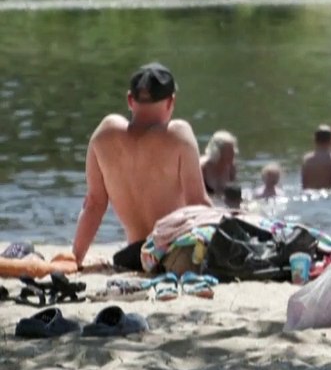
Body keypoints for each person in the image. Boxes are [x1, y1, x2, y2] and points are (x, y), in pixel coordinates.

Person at [71, 63, 212, 271]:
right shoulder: (178, 134)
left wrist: (75, 259)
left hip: (134, 256)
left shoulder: (104, 134)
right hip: (171, 252)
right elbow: (198, 203)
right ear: (171, 101)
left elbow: (93, 204)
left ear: (130, 100)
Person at [200, 130, 238, 201]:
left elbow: (233, 192)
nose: (233, 154)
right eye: (229, 151)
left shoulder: (232, 167)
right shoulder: (202, 168)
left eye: (233, 150)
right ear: (217, 152)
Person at [300, 124, 331, 190]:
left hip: (310, 194)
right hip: (329, 195)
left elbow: (304, 184)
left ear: (315, 140)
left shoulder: (307, 159)